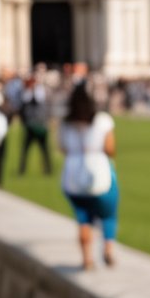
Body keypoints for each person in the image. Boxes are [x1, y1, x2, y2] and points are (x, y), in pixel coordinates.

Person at [58, 81, 119, 270]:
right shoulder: (102, 120)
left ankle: (87, 259)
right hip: (98, 172)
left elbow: (62, 148)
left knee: (83, 218)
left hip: (73, 175)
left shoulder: (65, 123)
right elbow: (110, 148)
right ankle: (108, 248)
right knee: (108, 214)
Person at [18, 75, 53, 175]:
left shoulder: (40, 92)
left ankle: (48, 169)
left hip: (40, 125)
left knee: (44, 149)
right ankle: (22, 169)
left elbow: (40, 101)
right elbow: (25, 102)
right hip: (30, 126)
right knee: (25, 149)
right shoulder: (26, 93)